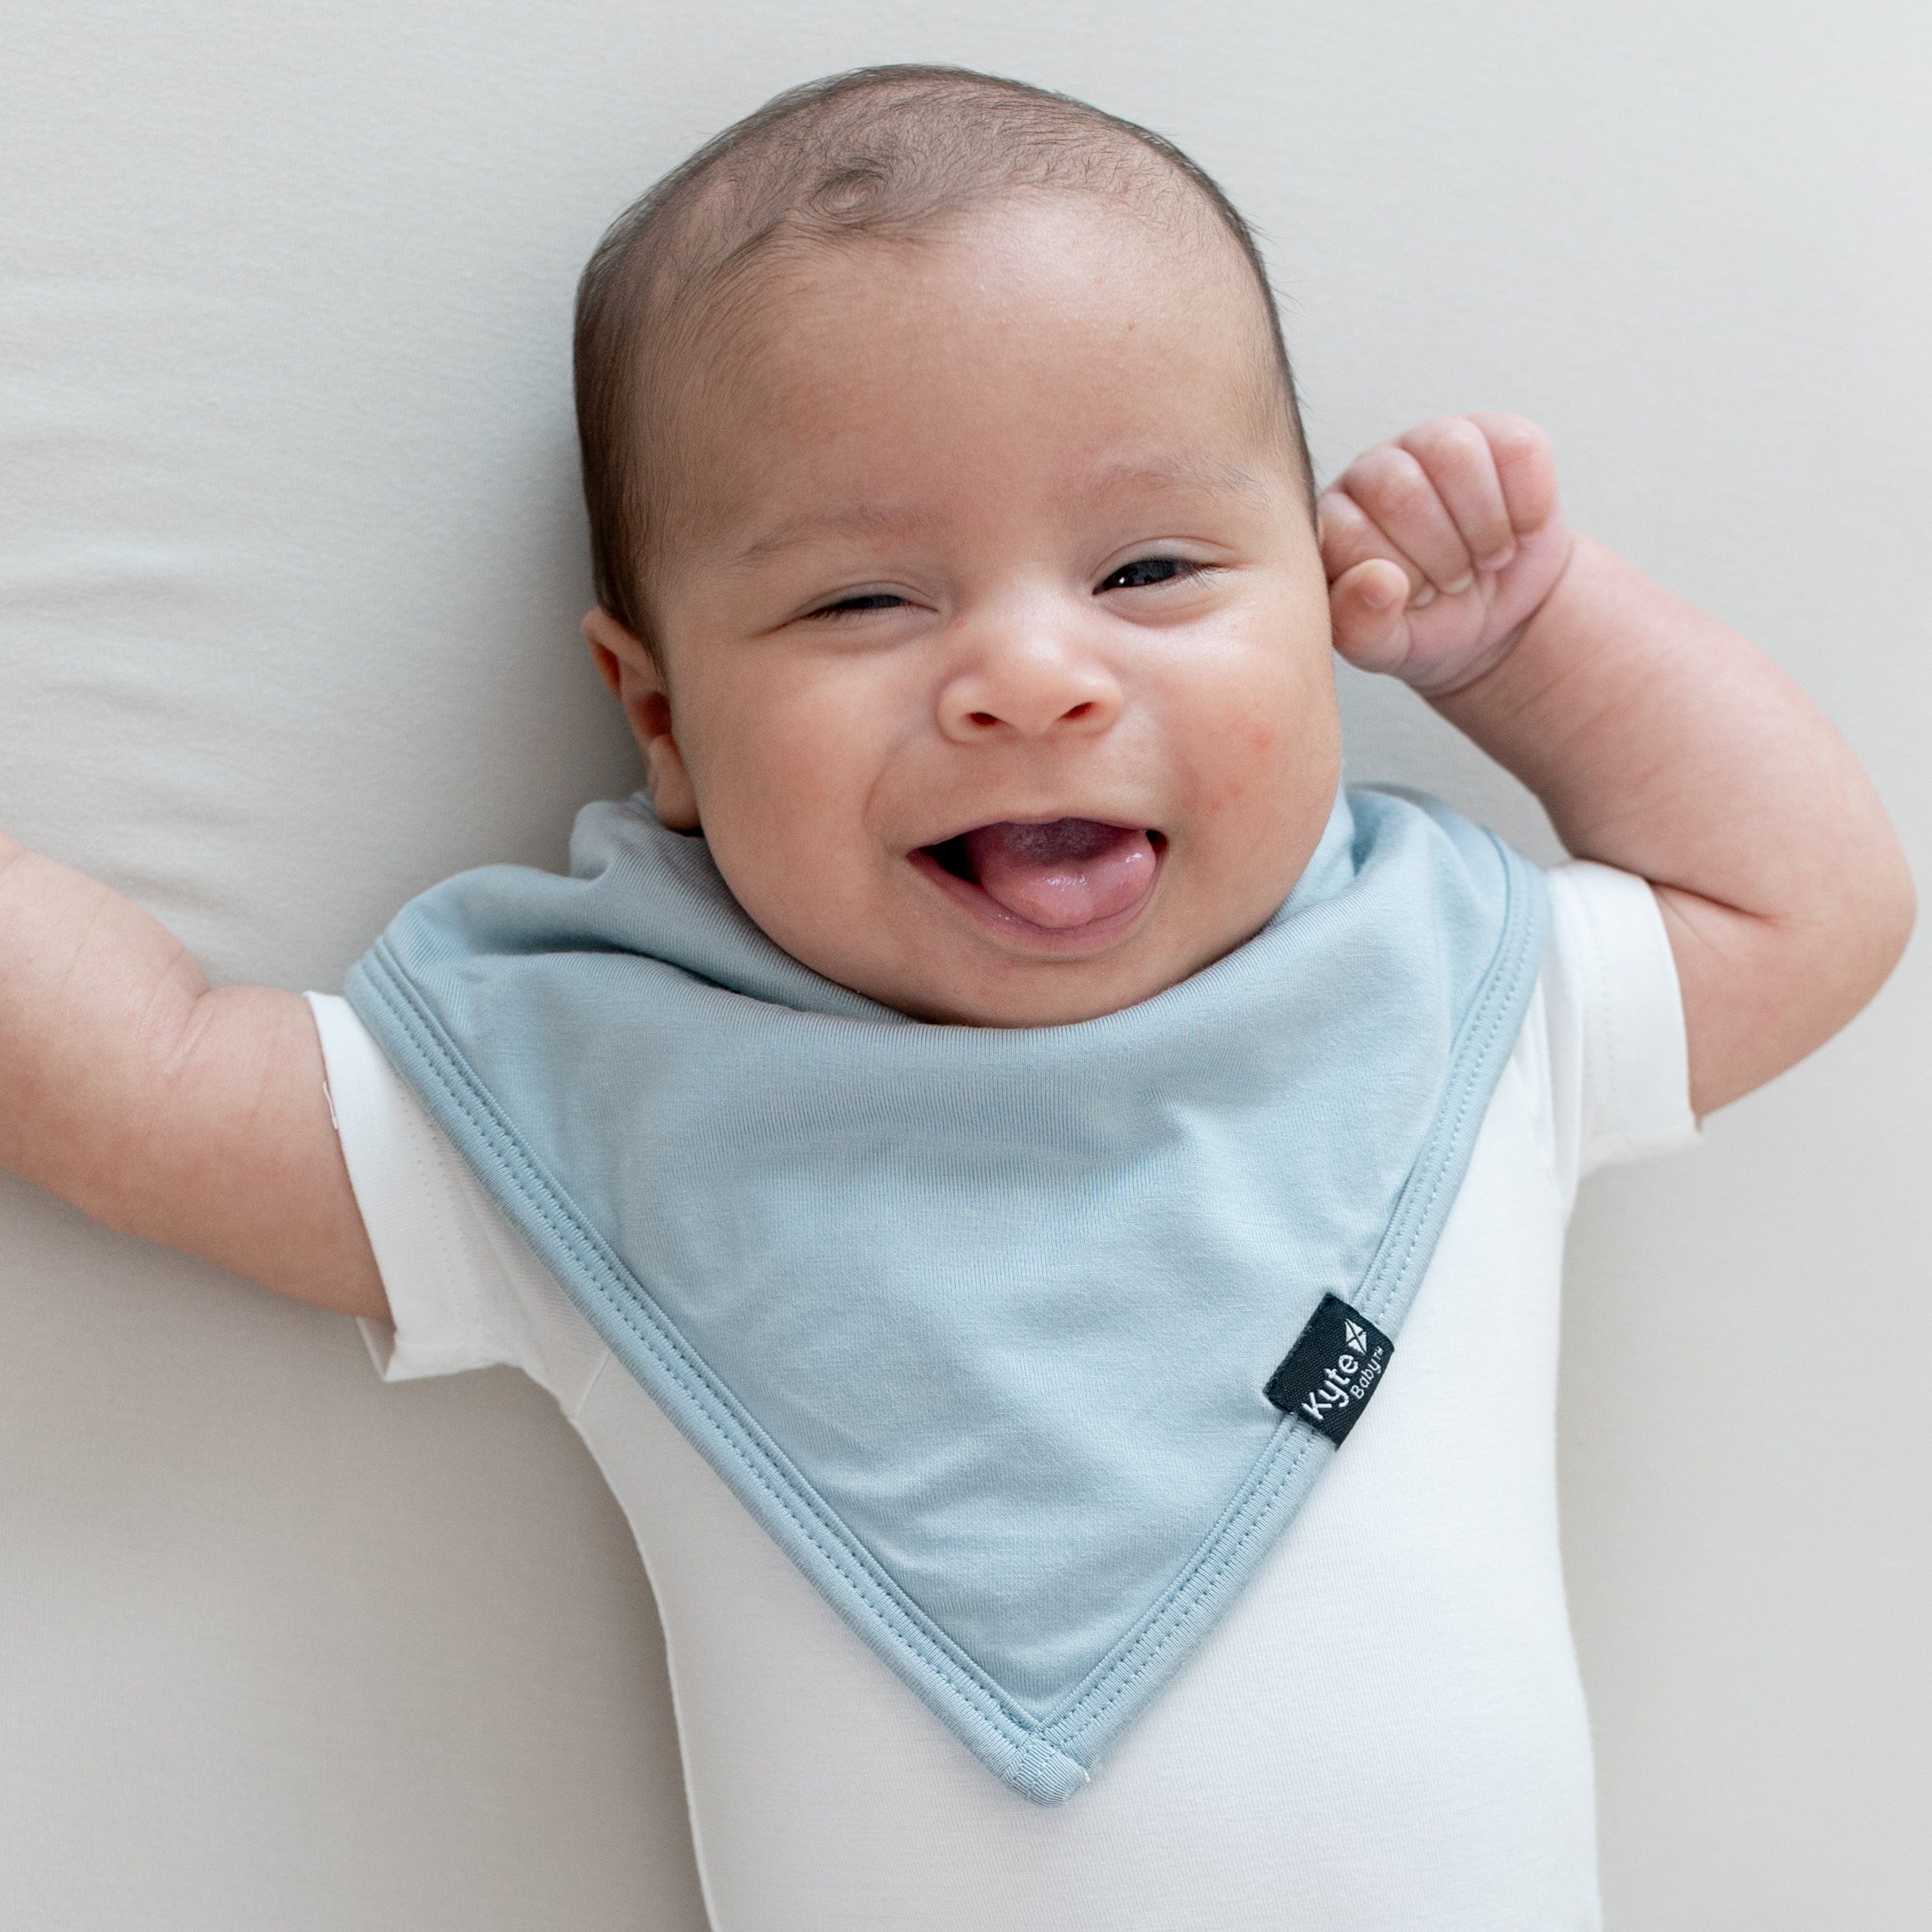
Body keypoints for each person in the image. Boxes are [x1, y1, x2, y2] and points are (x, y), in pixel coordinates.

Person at [0, 64, 1911, 1931]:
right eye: (864, 602)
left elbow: (1814, 906)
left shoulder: (1441, 998)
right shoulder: (602, 1096)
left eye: (1152, 566)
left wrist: (1540, 643)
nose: (1030, 676)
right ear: (659, 714)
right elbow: (150, 1083)